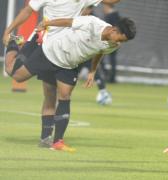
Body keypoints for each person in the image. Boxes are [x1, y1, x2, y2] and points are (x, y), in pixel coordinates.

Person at [2, 0, 137, 148]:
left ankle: (52, 140)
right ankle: (14, 44)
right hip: (44, 38)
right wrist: (9, 30)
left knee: (58, 94)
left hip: (68, 47)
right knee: (15, 74)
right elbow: (27, 11)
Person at [4, 16, 136, 152]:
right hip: (50, 53)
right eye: (120, 39)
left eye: (123, 42)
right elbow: (69, 22)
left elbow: (100, 52)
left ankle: (56, 141)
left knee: (65, 96)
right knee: (15, 75)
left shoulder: (114, 44)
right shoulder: (92, 23)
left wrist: (92, 71)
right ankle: (14, 42)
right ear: (114, 30)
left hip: (68, 66)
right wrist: (46, 23)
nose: (120, 43)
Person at [102, 3, 121, 83]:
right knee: (112, 60)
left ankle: (109, 77)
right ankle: (110, 77)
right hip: (113, 40)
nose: (103, 9)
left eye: (104, 6)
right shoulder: (116, 15)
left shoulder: (111, 16)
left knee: (99, 58)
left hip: (110, 41)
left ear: (107, 6)